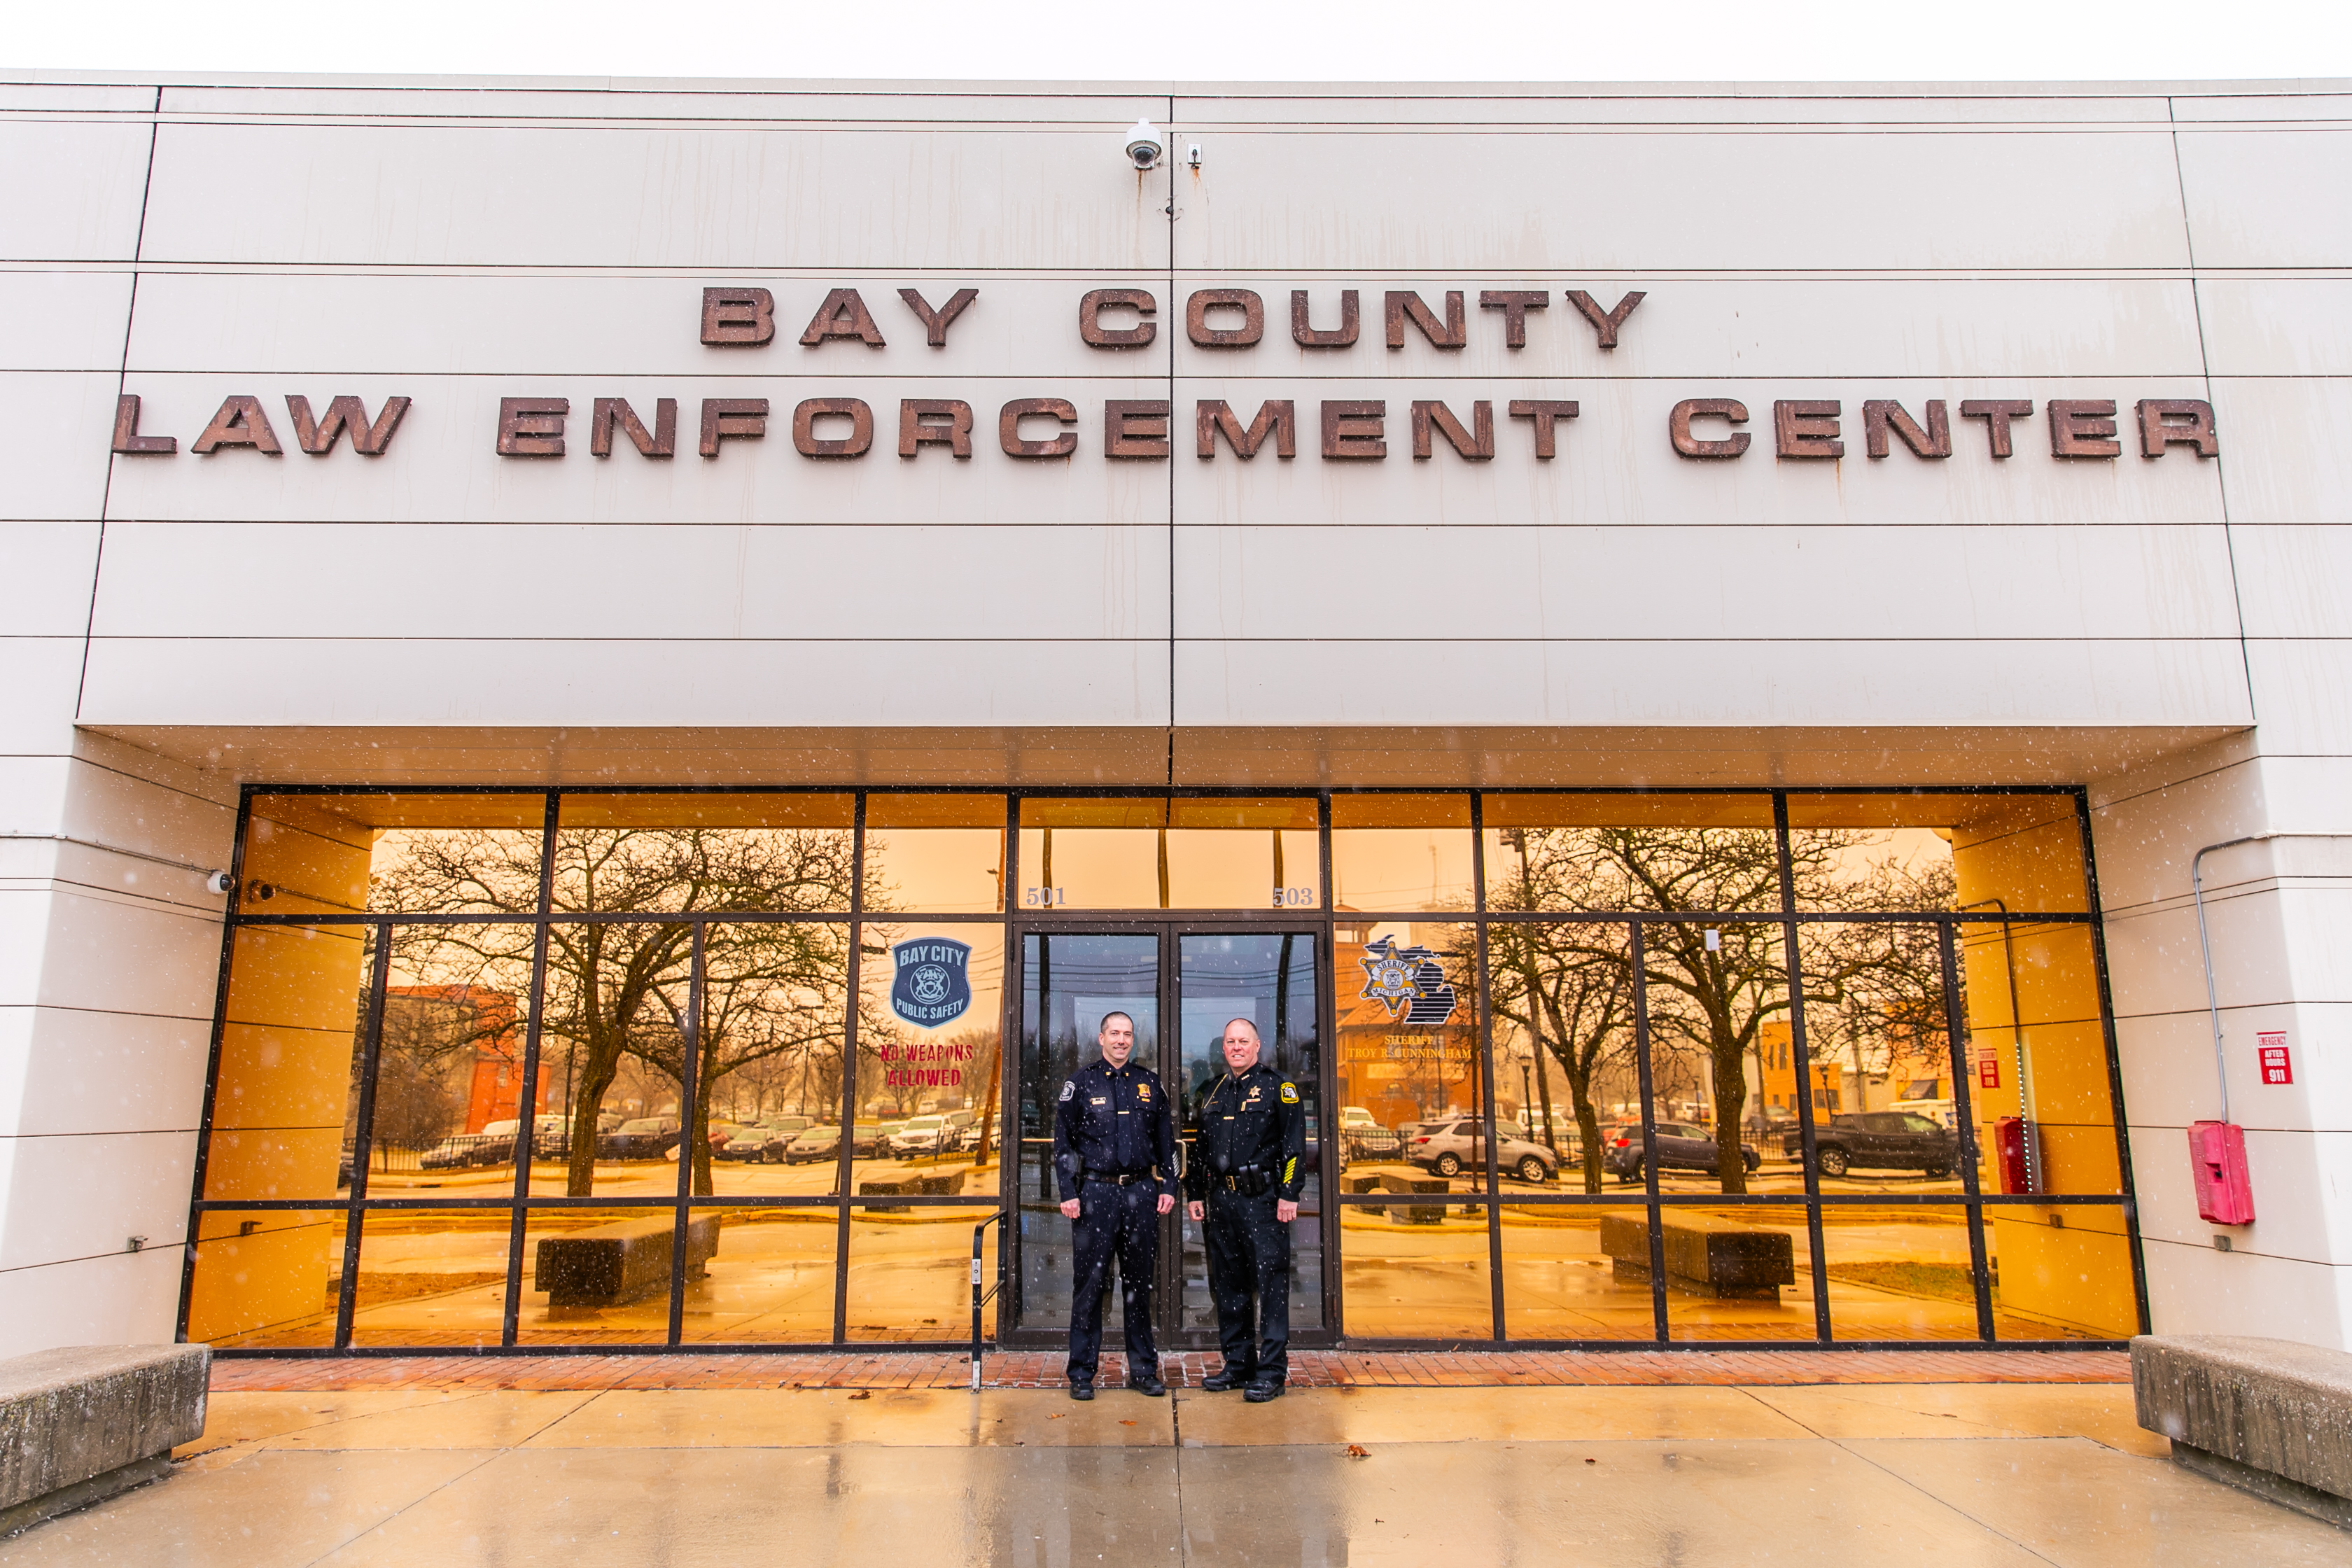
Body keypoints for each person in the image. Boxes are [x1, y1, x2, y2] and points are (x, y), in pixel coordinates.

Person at [1051, 1009, 1177, 1401]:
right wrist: (1068, 1192)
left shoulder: (1149, 1084)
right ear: (1101, 1038)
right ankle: (1082, 1373)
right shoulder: (1080, 1084)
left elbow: (1166, 1143)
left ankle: (1142, 1370)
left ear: (1132, 1040)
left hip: (1141, 1193)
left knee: (1139, 1285)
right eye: (1115, 1034)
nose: (1122, 1040)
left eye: (1128, 1034)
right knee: (1089, 1285)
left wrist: (1169, 1185)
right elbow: (1063, 1145)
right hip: (1095, 1195)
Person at [1184, 1016, 1306, 1403]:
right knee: (1229, 1285)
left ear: (1257, 1046)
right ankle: (1238, 1365)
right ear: (1224, 1049)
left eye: (1244, 1041)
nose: (1236, 1048)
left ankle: (1271, 1372)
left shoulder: (1279, 1087)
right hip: (1222, 1202)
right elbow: (1200, 1149)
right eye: (1231, 1042)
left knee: (1270, 1286)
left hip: (1263, 1202)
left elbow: (1293, 1146)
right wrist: (1195, 1193)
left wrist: (1289, 1193)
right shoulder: (1214, 1091)